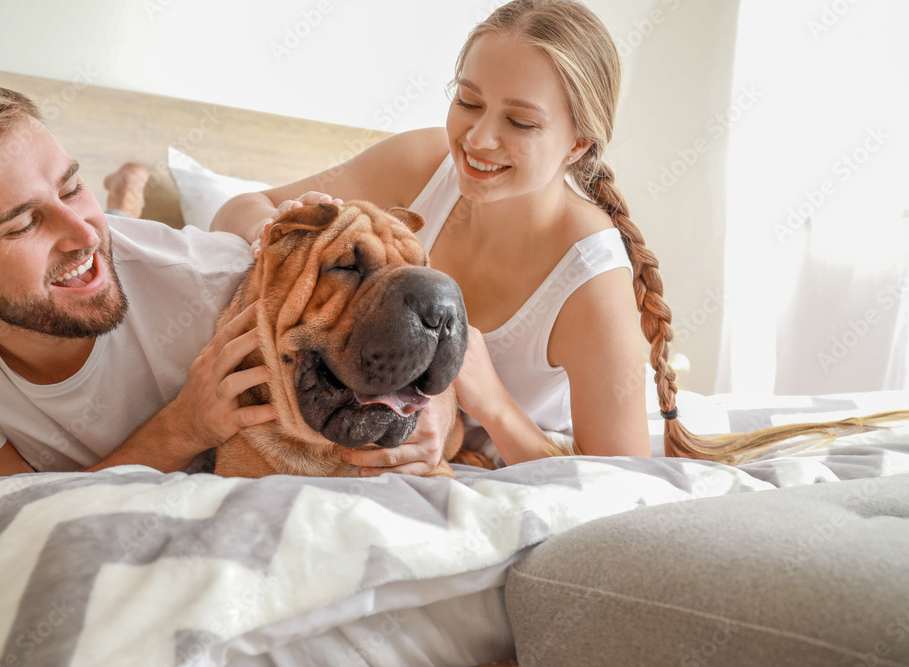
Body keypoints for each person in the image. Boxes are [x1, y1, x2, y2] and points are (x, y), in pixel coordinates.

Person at [0, 75, 450, 482]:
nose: (83, 234)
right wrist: (182, 429)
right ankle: (124, 194)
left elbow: (409, 320)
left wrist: (435, 413)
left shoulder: (215, 283)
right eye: (22, 223)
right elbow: (14, 520)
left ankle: (124, 197)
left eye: (71, 190)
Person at [214, 0, 663, 464]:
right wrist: (279, 232)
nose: (477, 139)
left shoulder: (592, 279)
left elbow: (624, 484)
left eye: (520, 122)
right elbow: (237, 208)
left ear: (578, 144)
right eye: (468, 101)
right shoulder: (423, 165)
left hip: (526, 462)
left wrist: (488, 404)